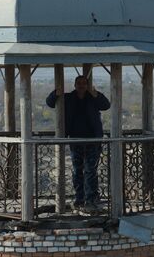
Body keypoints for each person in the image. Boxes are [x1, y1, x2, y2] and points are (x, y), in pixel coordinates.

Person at [46, 75, 110, 212]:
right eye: (79, 83)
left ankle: (91, 199)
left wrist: (96, 94)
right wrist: (55, 93)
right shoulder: (68, 98)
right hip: (75, 140)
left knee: (90, 170)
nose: (81, 86)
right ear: (75, 85)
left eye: (84, 83)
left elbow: (106, 105)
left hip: (93, 140)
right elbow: (50, 103)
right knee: (77, 171)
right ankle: (80, 198)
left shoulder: (93, 97)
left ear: (87, 85)